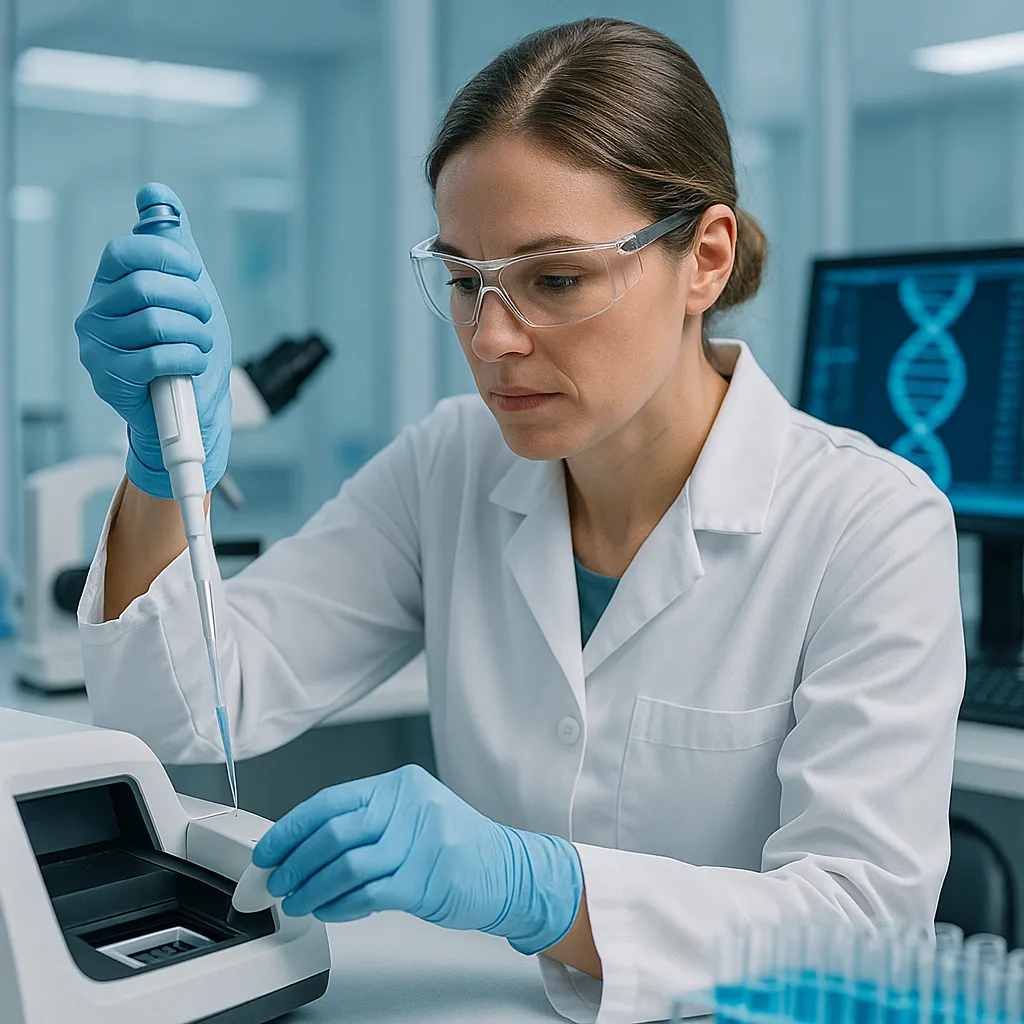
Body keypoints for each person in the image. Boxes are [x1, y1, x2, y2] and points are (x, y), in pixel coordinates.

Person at [75, 17, 965, 1024]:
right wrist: (159, 464)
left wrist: (537, 887)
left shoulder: (869, 524)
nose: (492, 337)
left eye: (554, 279)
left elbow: (863, 932)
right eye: (464, 281)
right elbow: (178, 705)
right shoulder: (449, 462)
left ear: (705, 258)